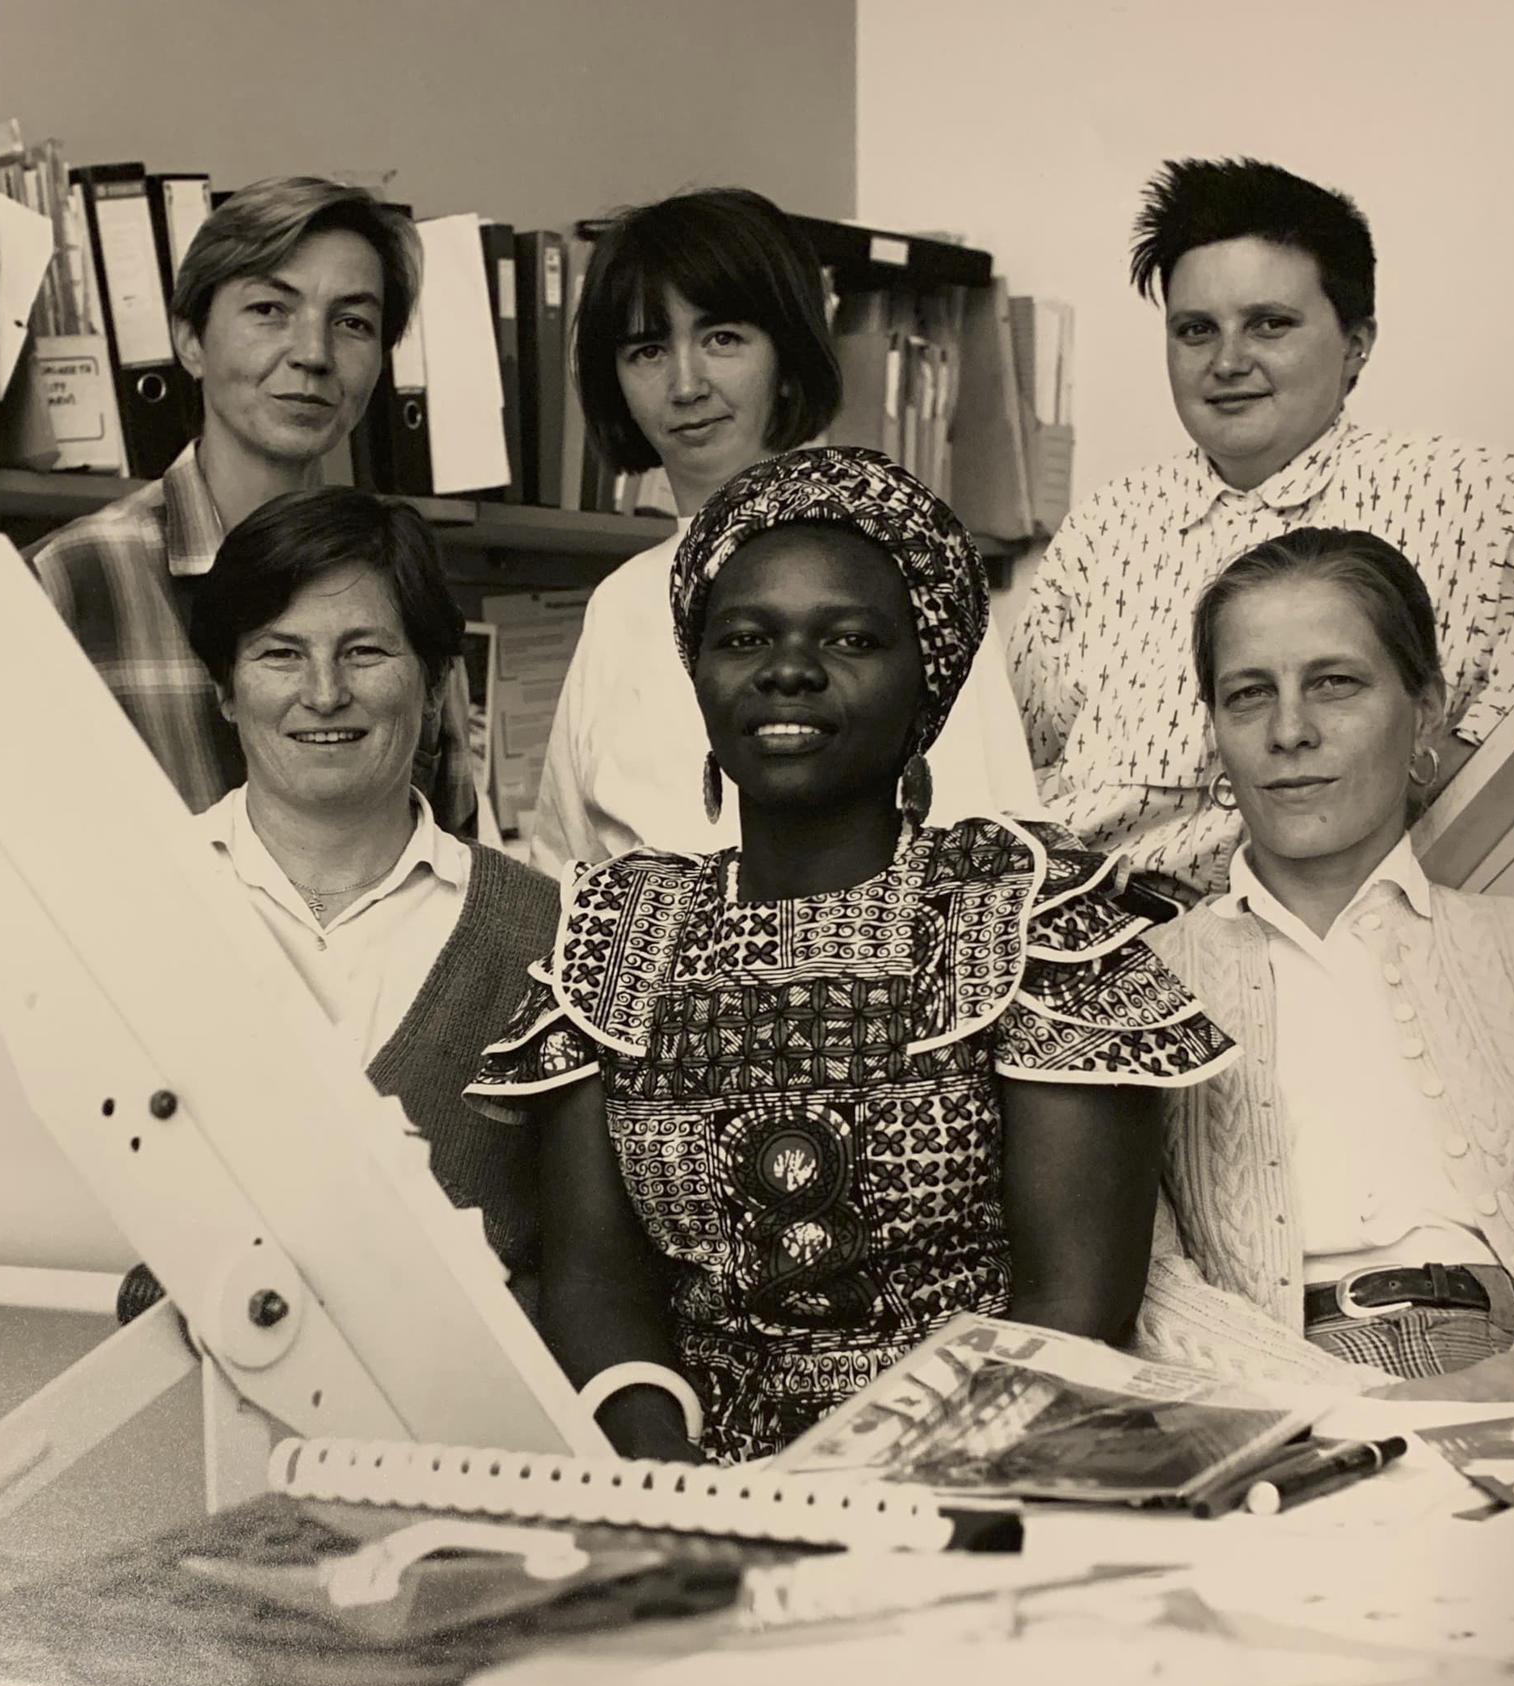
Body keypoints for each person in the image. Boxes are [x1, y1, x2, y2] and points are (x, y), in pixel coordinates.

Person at [472, 448, 1234, 1463]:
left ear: (923, 683)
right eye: (744, 636)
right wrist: (671, 1478)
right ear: (699, 673)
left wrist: (881, 1494)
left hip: (974, 1485)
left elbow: (1072, 1307)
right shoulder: (621, 924)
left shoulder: (1023, 909)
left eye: (848, 637)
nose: (787, 666)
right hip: (692, 1490)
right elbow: (596, 1284)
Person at [1136, 527, 1514, 1418]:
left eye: (1336, 683)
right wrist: (1347, 1405)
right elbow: (1144, 1291)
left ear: (1426, 711)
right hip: (1276, 1394)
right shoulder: (1140, 985)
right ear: (1215, 732)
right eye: (1249, 694)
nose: (1290, 731)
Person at [1009, 156, 1514, 895]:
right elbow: (1014, 756)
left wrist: (1479, 743)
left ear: (1356, 344)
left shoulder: (1453, 495)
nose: (1228, 360)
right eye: (1196, 330)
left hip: (1283, 941)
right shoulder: (1108, 526)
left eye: (1270, 324)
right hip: (1070, 921)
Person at [528, 187, 1036, 873]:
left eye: (722, 339)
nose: (686, 384)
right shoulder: (619, 605)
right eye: (648, 350)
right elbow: (562, 879)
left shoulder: (901, 573)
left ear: (787, 355)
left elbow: (996, 857)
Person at [184, 486, 558, 1281]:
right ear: (225, 689)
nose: (323, 692)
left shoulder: (547, 934)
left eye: (365, 651)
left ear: (431, 686)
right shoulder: (136, 907)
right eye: (280, 652)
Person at [30, 176, 477, 833]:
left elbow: (454, 853)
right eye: (271, 310)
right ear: (189, 338)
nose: (313, 355)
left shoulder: (401, 583)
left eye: (352, 323)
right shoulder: (67, 581)